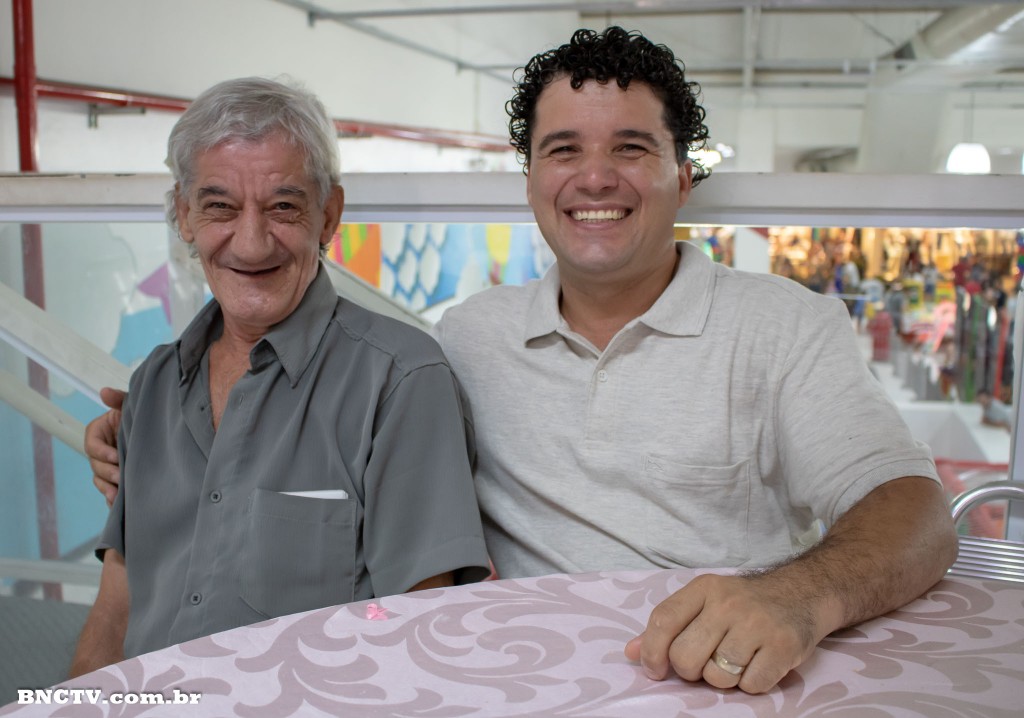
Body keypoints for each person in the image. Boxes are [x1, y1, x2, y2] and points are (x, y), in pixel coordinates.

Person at [85, 29, 959, 696]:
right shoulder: (469, 338)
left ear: (684, 176)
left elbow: (919, 515)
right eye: (564, 150)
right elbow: (316, 414)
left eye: (631, 148)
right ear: (532, 178)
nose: (595, 178)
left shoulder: (781, 327)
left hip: (719, 685)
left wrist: (797, 598)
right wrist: (146, 441)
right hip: (528, 693)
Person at [70, 77, 490, 677]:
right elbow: (116, 608)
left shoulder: (400, 380)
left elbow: (420, 627)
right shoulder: (154, 385)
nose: (251, 242)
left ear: (329, 216)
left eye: (283, 207)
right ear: (184, 215)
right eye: (219, 206)